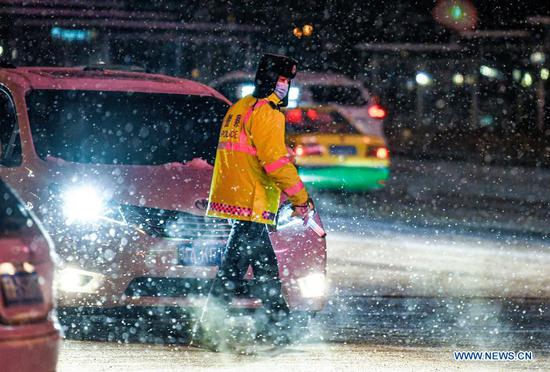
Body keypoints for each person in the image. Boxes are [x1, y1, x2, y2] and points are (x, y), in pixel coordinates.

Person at [200, 53, 314, 349]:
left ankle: (213, 324)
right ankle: (276, 326)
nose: (285, 87)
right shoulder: (267, 112)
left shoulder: (240, 107)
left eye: (287, 81)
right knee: (261, 266)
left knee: (237, 266)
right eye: (282, 80)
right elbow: (274, 162)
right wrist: (300, 198)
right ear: (269, 80)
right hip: (251, 200)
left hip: (236, 197)